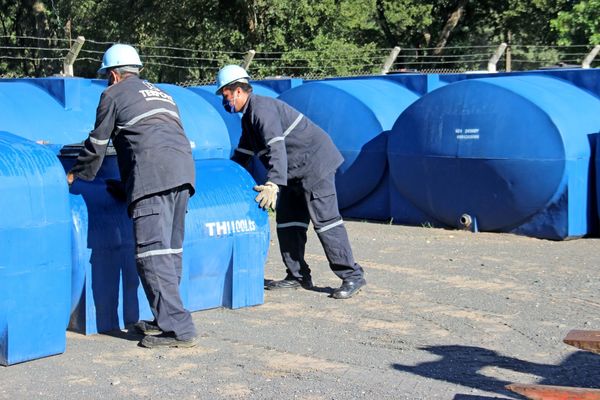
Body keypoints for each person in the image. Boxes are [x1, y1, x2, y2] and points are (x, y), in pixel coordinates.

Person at [67, 44, 197, 348]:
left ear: (113, 75)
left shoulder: (113, 94)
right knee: (169, 253)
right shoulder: (164, 94)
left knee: (151, 255)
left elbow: (98, 141)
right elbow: (154, 138)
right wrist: (127, 187)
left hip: (153, 178)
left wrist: (76, 175)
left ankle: (179, 330)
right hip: (183, 175)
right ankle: (166, 319)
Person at [215, 65, 366, 299]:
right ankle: (297, 275)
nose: (225, 101)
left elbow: (277, 146)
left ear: (237, 91)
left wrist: (273, 184)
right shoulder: (248, 118)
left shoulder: (262, 109)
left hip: (315, 165)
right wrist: (226, 177)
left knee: (326, 222)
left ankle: (352, 276)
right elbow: (244, 153)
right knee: (288, 223)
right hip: (293, 172)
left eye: (225, 94)